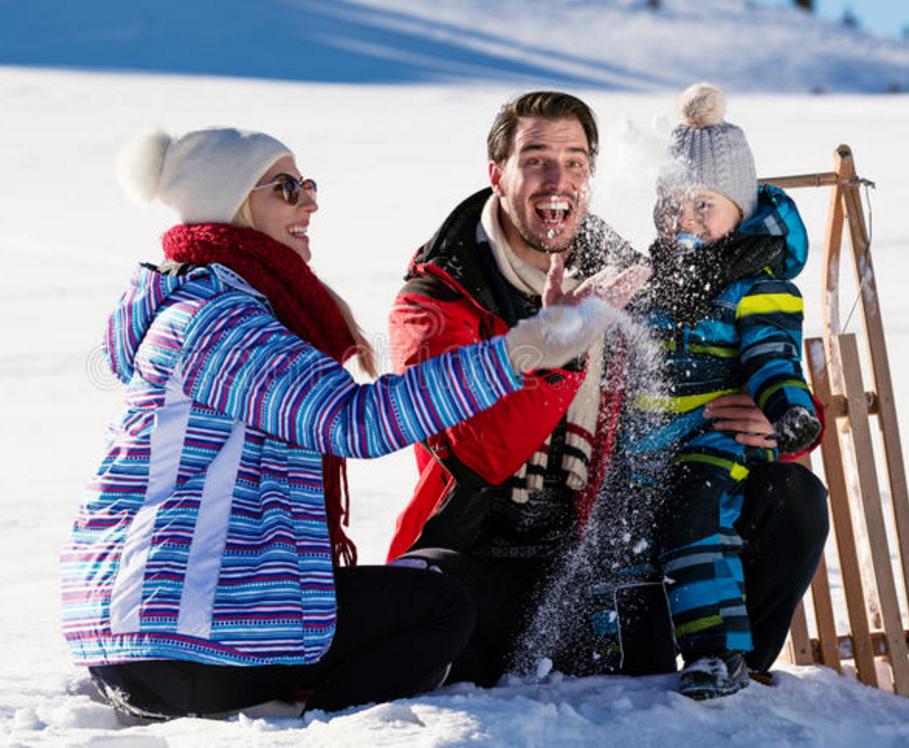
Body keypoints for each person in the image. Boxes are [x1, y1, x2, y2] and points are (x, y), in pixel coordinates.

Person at [59, 125, 638, 719]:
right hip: (183, 637)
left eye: (307, 184)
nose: (311, 201)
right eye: (286, 188)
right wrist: (528, 348)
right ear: (231, 203)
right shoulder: (217, 323)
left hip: (164, 625)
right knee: (438, 610)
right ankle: (325, 729)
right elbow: (356, 421)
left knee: (440, 607)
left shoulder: (214, 303)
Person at [385, 90, 829, 689]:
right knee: (435, 600)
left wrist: (779, 420)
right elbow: (476, 451)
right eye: (536, 158)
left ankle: (729, 665)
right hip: (492, 554)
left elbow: (703, 367)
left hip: (609, 555)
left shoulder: (623, 272)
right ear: (498, 174)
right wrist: (552, 351)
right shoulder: (441, 295)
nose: (557, 179)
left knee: (793, 496)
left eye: (574, 161)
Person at [594, 81, 823, 700]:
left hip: (712, 439)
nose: (685, 220)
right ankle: (607, 648)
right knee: (610, 526)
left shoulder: (756, 285)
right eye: (672, 206)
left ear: (739, 210)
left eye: (704, 206)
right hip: (644, 448)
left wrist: (790, 411)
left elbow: (773, 357)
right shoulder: (648, 278)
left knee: (693, 512)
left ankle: (718, 654)